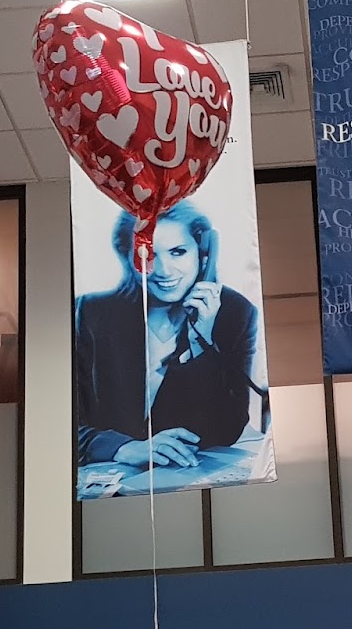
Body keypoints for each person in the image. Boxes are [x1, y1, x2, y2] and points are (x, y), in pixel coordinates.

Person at [74, 200, 262, 470]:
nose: (163, 271)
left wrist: (201, 341)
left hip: (185, 474)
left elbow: (225, 431)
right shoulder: (90, 313)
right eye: (146, 256)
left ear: (204, 252)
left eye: (178, 252)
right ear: (127, 257)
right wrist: (122, 447)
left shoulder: (236, 313)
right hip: (109, 474)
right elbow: (64, 419)